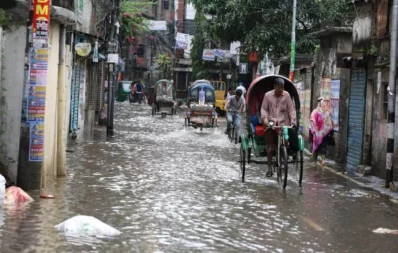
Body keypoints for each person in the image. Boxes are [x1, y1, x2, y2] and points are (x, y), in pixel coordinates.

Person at [261, 77, 297, 177]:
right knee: (269, 147)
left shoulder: (287, 95)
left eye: (282, 88)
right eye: (279, 88)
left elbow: (291, 110)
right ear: (274, 87)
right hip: (271, 123)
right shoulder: (267, 95)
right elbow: (264, 110)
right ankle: (269, 168)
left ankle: (282, 160)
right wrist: (265, 120)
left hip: (283, 124)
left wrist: (293, 120)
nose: (280, 90)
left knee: (284, 143)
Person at [309, 97, 334, 166]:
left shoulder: (315, 111)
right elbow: (330, 121)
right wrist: (330, 131)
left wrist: (314, 131)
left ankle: (315, 162)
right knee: (324, 146)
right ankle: (323, 160)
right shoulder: (327, 111)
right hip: (325, 133)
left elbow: (312, 121)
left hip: (317, 134)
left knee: (316, 147)